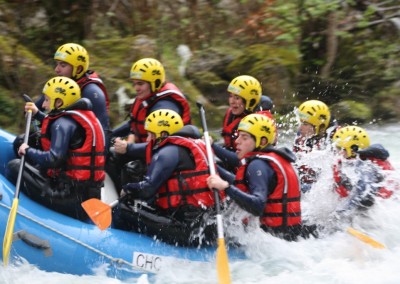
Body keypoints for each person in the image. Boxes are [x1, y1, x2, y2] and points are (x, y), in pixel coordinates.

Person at [113, 109, 219, 246]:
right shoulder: (190, 146)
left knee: (124, 207)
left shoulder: (167, 152)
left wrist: (127, 189)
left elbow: (146, 190)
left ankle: (121, 246)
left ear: (163, 134)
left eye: (150, 134)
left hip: (187, 229)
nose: (147, 139)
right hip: (204, 225)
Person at [7, 76, 106, 220]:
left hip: (72, 198)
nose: (45, 105)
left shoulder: (63, 124)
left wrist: (28, 150)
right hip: (86, 195)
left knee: (14, 166)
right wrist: (37, 113)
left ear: (59, 102)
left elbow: (53, 159)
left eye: (47, 100)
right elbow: (55, 123)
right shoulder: (76, 116)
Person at [207, 114, 315, 241]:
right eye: (238, 136)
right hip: (290, 237)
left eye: (244, 137)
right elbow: (240, 182)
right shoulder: (273, 159)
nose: (237, 141)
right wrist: (212, 166)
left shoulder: (258, 165)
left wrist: (225, 187)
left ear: (262, 141)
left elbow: (257, 206)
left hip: (271, 241)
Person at [18, 43, 111, 152]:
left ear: (79, 69)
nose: (56, 70)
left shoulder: (92, 92)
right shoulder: (61, 84)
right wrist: (33, 111)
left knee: (22, 144)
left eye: (63, 65)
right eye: (57, 64)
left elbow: (102, 133)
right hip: (64, 140)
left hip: (78, 150)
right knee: (20, 141)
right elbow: (39, 108)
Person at [112, 58, 191, 144]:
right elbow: (134, 123)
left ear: (156, 83)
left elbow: (157, 146)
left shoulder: (165, 107)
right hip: (144, 150)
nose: (136, 88)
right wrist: (109, 134)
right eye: (134, 83)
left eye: (140, 84)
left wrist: (128, 148)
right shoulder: (147, 96)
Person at [213, 75, 273, 172]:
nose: (232, 101)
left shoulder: (259, 123)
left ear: (250, 101)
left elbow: (239, 160)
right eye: (231, 96)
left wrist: (211, 146)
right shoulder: (232, 113)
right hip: (234, 164)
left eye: (237, 98)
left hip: (254, 170)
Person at [331, 126, 396, 215]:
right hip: (362, 206)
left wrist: (336, 216)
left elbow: (359, 197)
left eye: (340, 148)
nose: (337, 151)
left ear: (353, 150)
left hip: (376, 210)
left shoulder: (367, 168)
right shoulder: (349, 161)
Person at [293, 99, 339, 192]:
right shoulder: (301, 138)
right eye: (300, 123)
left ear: (319, 125)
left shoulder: (338, 140)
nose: (300, 128)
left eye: (305, 124)